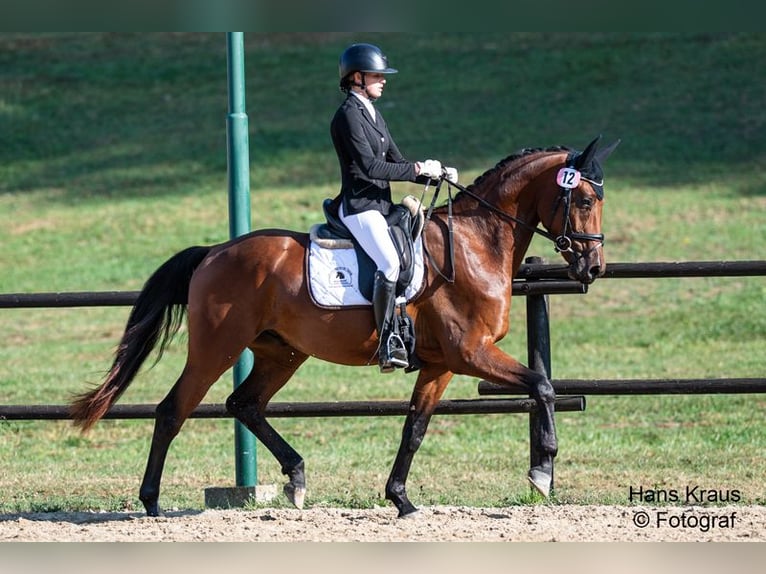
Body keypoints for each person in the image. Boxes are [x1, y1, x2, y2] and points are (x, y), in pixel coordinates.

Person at [330, 42, 458, 373]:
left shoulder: (373, 113)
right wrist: (415, 169)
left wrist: (434, 172)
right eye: (377, 75)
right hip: (359, 207)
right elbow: (372, 168)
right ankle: (388, 342)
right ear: (357, 78)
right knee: (388, 263)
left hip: (380, 206)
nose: (383, 80)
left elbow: (396, 162)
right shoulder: (347, 116)